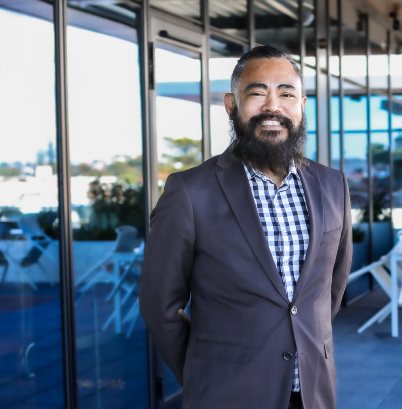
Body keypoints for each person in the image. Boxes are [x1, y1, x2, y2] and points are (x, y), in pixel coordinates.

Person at [140, 46, 352, 409]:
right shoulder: (190, 191)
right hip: (227, 393)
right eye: (257, 93)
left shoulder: (333, 185)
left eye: (286, 93)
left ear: (301, 104)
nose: (273, 106)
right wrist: (201, 370)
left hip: (313, 391)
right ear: (231, 104)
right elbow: (160, 305)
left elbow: (328, 292)